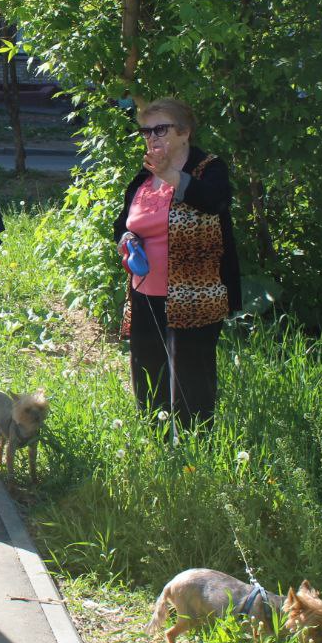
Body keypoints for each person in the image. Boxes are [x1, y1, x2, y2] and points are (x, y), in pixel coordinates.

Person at [112, 98, 241, 429]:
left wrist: (170, 175)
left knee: (192, 376)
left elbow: (214, 202)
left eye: (160, 129)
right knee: (148, 370)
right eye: (146, 131)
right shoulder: (143, 178)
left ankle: (195, 444)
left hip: (195, 294)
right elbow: (123, 223)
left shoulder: (208, 168)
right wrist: (126, 240)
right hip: (145, 293)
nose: (151, 138)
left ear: (184, 132)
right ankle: (155, 436)